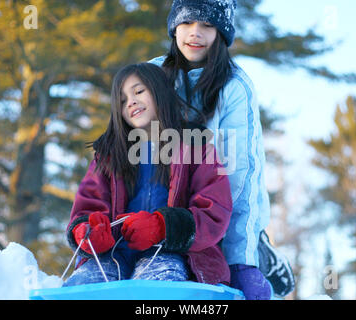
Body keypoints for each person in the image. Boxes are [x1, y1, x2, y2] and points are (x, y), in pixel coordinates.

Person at [149, 0, 295, 299]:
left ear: (222, 33)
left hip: (213, 213)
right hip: (157, 208)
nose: (195, 33)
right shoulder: (150, 77)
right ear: (174, 25)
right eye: (188, 22)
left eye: (207, 25)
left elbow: (240, 176)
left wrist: (242, 261)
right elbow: (120, 156)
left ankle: (257, 250)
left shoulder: (234, 88)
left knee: (217, 272)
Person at [63, 62, 233, 287]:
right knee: (87, 285)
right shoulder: (107, 157)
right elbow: (87, 207)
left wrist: (163, 227)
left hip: (174, 254)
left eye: (139, 91)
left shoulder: (196, 147)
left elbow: (214, 211)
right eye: (122, 101)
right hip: (112, 254)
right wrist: (86, 232)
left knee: (156, 286)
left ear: (160, 91)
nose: (130, 102)